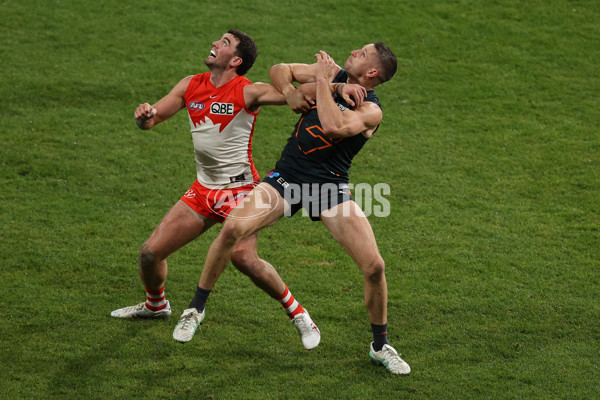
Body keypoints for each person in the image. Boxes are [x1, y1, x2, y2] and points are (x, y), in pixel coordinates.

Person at [181, 42, 411, 375]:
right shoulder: (335, 75)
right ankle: (196, 309)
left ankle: (380, 346)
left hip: (329, 189)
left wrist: (322, 82)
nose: (354, 52)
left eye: (363, 53)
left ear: (372, 72)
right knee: (233, 228)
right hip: (287, 178)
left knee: (374, 266)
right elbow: (279, 70)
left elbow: (334, 126)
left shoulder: (371, 110)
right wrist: (292, 90)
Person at [110, 29, 321, 350]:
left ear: (236, 60)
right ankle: (156, 305)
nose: (214, 44)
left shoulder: (248, 91)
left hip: (239, 193)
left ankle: (299, 314)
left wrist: (334, 85)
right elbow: (152, 120)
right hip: (203, 191)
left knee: (245, 260)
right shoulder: (189, 84)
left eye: (223, 43)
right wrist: (144, 116)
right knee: (150, 254)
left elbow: (301, 91)